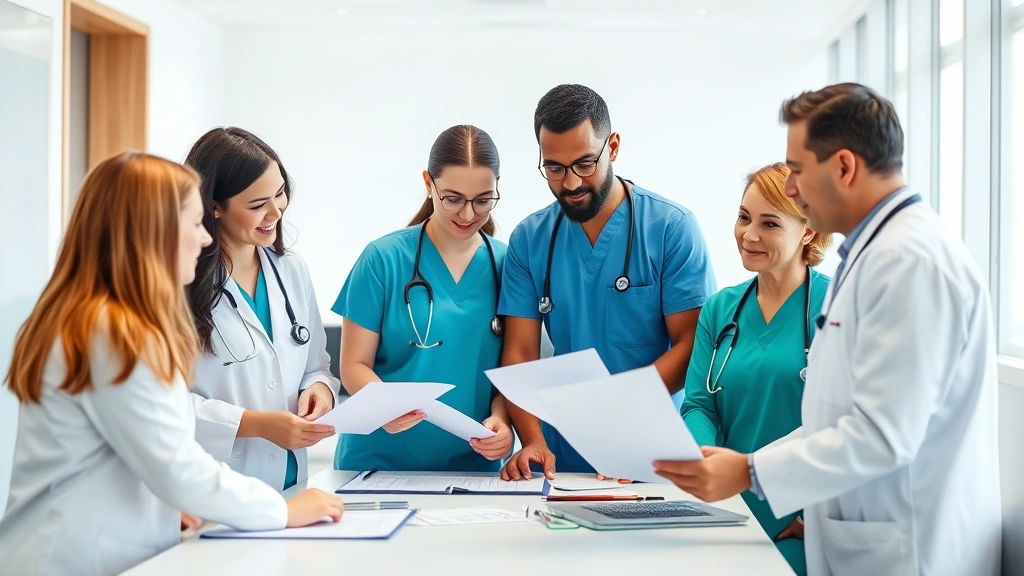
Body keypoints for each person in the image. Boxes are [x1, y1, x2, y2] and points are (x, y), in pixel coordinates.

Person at [654, 83, 1002, 576]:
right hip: (861, 536)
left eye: (797, 171)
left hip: (907, 549)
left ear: (843, 167)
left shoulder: (908, 262)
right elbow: (836, 417)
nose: (791, 187)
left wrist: (750, 470)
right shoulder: (872, 257)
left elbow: (882, 434)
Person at [0, 152, 343, 576]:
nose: (204, 239)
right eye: (193, 223)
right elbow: (175, 464)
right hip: (74, 555)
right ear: (151, 232)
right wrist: (283, 510)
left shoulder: (97, 318)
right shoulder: (111, 332)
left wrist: (167, 506)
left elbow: (137, 441)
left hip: (89, 545)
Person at [499, 84, 717, 480]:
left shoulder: (671, 228)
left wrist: (621, 417)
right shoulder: (530, 239)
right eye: (554, 168)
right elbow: (518, 354)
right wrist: (531, 439)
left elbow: (692, 344)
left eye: (585, 164)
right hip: (563, 454)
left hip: (653, 445)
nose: (570, 183)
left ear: (612, 147)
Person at [680, 162, 832, 575]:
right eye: (744, 217)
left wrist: (809, 517)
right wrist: (704, 460)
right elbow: (698, 404)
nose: (749, 235)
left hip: (798, 518)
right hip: (725, 506)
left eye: (769, 223)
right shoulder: (721, 308)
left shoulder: (836, 308)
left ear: (808, 230)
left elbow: (846, 425)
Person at [332, 125, 513, 471]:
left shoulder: (508, 265)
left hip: (473, 464)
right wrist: (383, 406)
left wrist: (503, 420)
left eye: (483, 200)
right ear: (428, 184)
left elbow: (510, 370)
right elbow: (353, 366)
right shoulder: (382, 259)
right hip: (379, 463)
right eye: (453, 198)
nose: (468, 214)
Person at [184, 127, 340, 491]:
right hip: (217, 487)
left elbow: (316, 365)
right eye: (257, 205)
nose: (276, 211)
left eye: (281, 193)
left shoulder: (291, 269)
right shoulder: (179, 285)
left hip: (291, 484)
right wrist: (256, 424)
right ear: (214, 206)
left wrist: (320, 389)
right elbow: (164, 405)